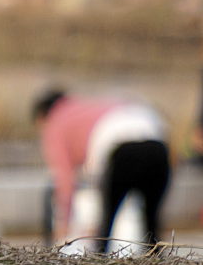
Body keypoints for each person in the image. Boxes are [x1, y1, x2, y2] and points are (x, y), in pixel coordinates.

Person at [33, 88, 174, 254]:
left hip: (121, 150)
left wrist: (62, 226)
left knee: (106, 225)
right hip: (158, 145)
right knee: (150, 223)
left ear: (43, 116)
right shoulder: (95, 105)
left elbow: (64, 180)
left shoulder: (55, 122)